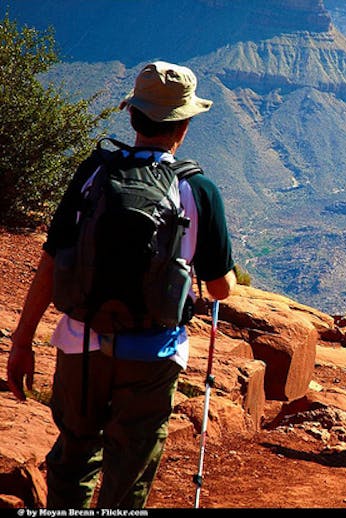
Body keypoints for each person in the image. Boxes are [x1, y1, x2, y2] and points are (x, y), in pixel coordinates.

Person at [5, 61, 237, 508]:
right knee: (129, 471)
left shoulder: (94, 173)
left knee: (73, 456)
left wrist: (22, 341)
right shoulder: (199, 189)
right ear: (184, 125)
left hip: (80, 346)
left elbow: (51, 262)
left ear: (132, 116)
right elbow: (221, 288)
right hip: (153, 355)